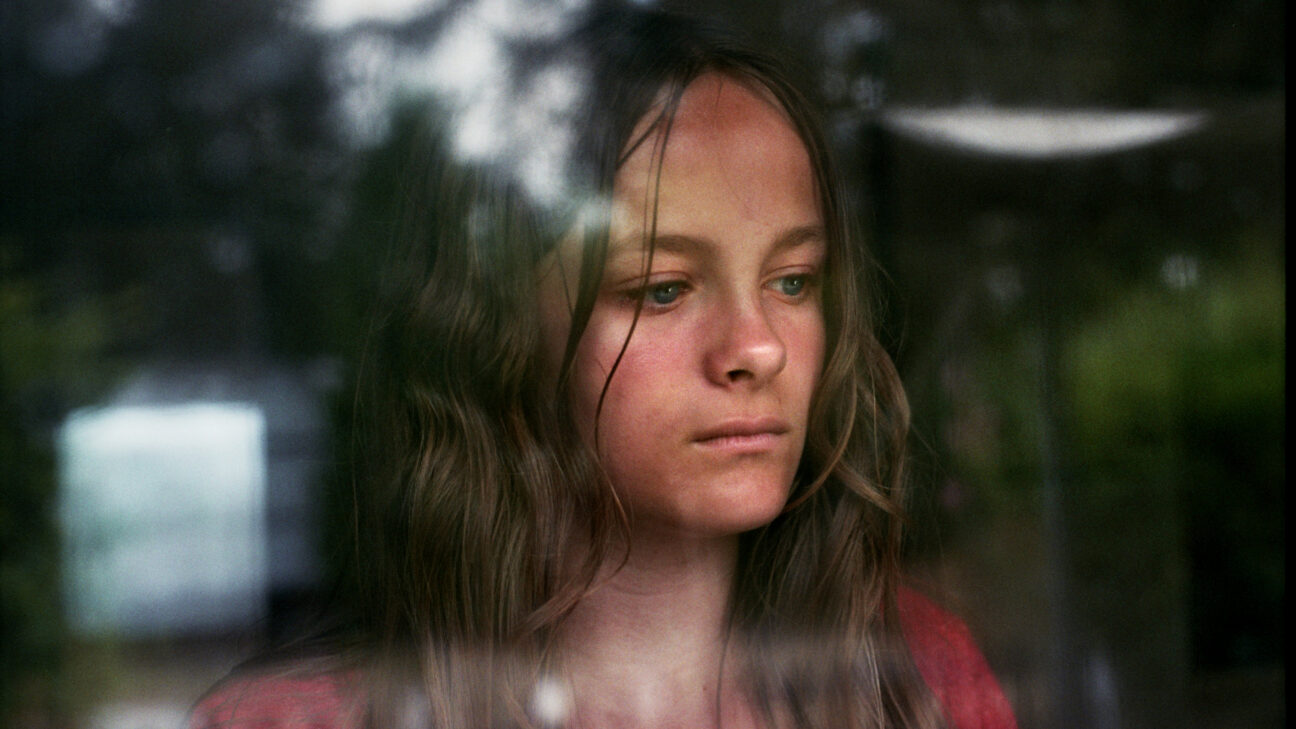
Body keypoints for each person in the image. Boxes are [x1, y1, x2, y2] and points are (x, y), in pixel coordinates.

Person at [190, 5, 1017, 729]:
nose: (757, 347)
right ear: (499, 335)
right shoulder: (296, 722)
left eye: (793, 280)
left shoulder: (920, 684)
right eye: (663, 289)